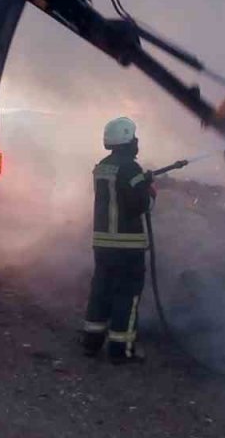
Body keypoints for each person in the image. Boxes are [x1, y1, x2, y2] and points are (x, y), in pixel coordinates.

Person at [81, 116, 155, 364]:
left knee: (101, 291)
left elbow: (116, 197)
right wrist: (150, 191)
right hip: (128, 246)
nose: (137, 142)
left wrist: (141, 183)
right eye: (133, 138)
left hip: (102, 244)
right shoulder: (131, 169)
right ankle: (121, 349)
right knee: (127, 295)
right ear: (126, 140)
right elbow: (140, 205)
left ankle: (91, 342)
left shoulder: (101, 167)